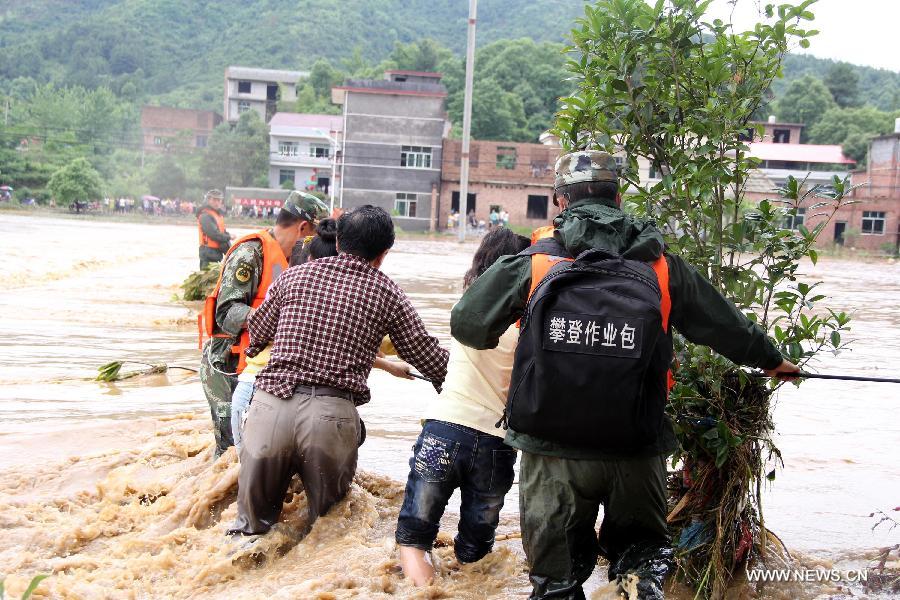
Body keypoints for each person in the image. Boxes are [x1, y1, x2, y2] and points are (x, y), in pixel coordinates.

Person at [450, 150, 800, 600]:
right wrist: (772, 360)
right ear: (618, 197)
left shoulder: (535, 263)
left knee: (556, 581)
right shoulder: (661, 266)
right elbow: (726, 326)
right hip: (636, 447)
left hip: (551, 452)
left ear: (560, 201)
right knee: (639, 570)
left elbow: (468, 326)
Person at [227, 205, 449, 539]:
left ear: (338, 240)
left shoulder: (293, 276)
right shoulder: (387, 292)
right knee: (327, 535)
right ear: (384, 253)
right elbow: (427, 356)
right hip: (329, 419)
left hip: (269, 409)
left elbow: (257, 334)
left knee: (249, 534)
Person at [396, 228, 530, 586]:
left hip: (444, 431)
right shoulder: (531, 329)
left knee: (413, 539)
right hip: (496, 446)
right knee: (476, 555)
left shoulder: (467, 309)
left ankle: (424, 591)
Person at [229, 218, 413, 453]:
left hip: (257, 392)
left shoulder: (288, 285)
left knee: (250, 481)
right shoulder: (354, 300)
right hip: (299, 402)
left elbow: (273, 336)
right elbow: (345, 348)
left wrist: (387, 364)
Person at [199, 191, 328, 457]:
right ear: (303, 228)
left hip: (262, 366)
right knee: (231, 450)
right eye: (314, 235)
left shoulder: (297, 259)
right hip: (227, 364)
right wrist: (279, 319)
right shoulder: (250, 254)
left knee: (262, 447)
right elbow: (227, 312)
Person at [197, 189, 233, 269]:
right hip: (208, 253)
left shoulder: (218, 215)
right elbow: (214, 234)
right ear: (209, 200)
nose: (216, 202)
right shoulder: (205, 215)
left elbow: (222, 232)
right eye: (214, 200)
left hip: (217, 253)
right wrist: (229, 236)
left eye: (219, 200)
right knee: (207, 279)